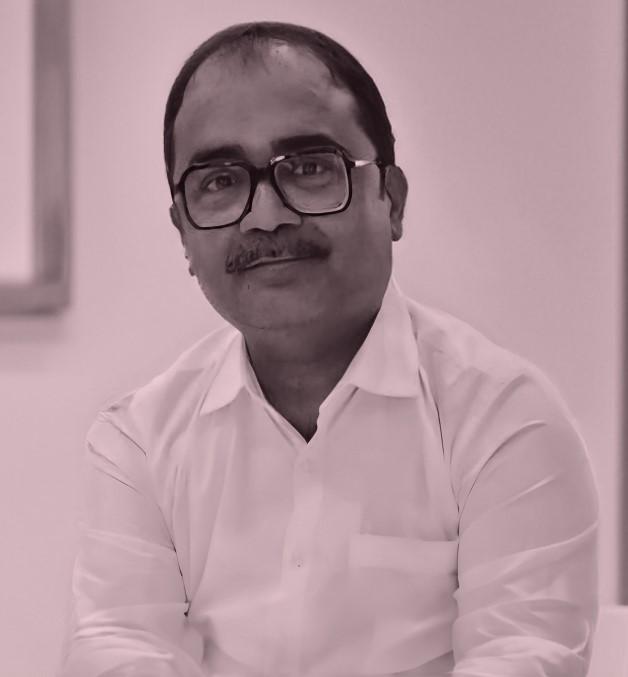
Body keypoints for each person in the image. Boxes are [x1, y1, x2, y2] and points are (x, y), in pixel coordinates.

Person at [58, 21, 599, 677]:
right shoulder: (140, 440)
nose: (265, 216)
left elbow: (524, 657)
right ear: (183, 234)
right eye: (219, 182)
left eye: (309, 168)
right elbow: (116, 647)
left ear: (391, 201)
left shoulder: (504, 419)